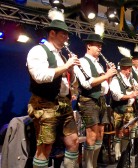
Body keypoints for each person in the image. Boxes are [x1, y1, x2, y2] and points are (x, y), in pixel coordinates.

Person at [26, 9, 80, 168]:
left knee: (74, 141)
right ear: (52, 33)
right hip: (45, 104)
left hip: (64, 103)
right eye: (63, 34)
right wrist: (66, 66)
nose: (67, 37)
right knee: (45, 147)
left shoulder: (62, 55)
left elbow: (70, 82)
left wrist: (71, 71)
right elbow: (40, 76)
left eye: (67, 35)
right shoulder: (38, 51)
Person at [75, 23, 117, 168]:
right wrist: (107, 75)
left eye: (101, 46)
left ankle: (93, 163)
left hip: (101, 100)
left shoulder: (98, 64)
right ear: (88, 46)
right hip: (89, 101)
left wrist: (109, 75)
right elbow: (88, 83)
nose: (100, 48)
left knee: (100, 134)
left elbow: (105, 88)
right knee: (91, 136)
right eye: (97, 45)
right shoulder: (81, 61)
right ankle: (88, 166)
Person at [109, 49, 138, 161]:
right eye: (128, 69)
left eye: (130, 69)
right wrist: (130, 95)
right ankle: (118, 154)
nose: (129, 71)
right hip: (119, 109)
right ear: (123, 69)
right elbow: (116, 96)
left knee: (131, 131)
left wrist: (137, 92)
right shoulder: (116, 79)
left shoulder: (131, 79)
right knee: (119, 131)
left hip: (130, 109)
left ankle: (125, 152)